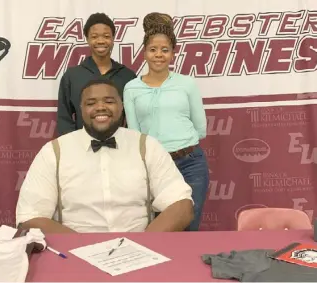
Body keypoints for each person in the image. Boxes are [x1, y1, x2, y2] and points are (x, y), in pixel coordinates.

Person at [16, 77, 194, 233]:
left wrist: (141, 246)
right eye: (91, 103)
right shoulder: (54, 152)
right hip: (73, 257)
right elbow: (30, 217)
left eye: (109, 101)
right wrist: (82, 251)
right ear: (80, 109)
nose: (100, 107)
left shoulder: (147, 146)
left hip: (139, 254)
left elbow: (181, 205)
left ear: (121, 106)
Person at [123, 12, 209, 231]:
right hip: (154, 166)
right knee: (162, 230)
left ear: (173, 53)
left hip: (191, 163)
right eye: (153, 50)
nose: (158, 55)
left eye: (164, 50)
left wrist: (178, 144)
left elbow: (200, 128)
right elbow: (135, 134)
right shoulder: (131, 88)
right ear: (144, 53)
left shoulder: (187, 84)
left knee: (189, 226)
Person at [57, 13, 137, 136]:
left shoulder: (128, 76)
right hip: (82, 149)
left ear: (113, 38)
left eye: (106, 36)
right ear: (87, 39)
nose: (100, 41)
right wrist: (72, 146)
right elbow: (64, 118)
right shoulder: (72, 76)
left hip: (120, 147)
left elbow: (134, 119)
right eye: (94, 36)